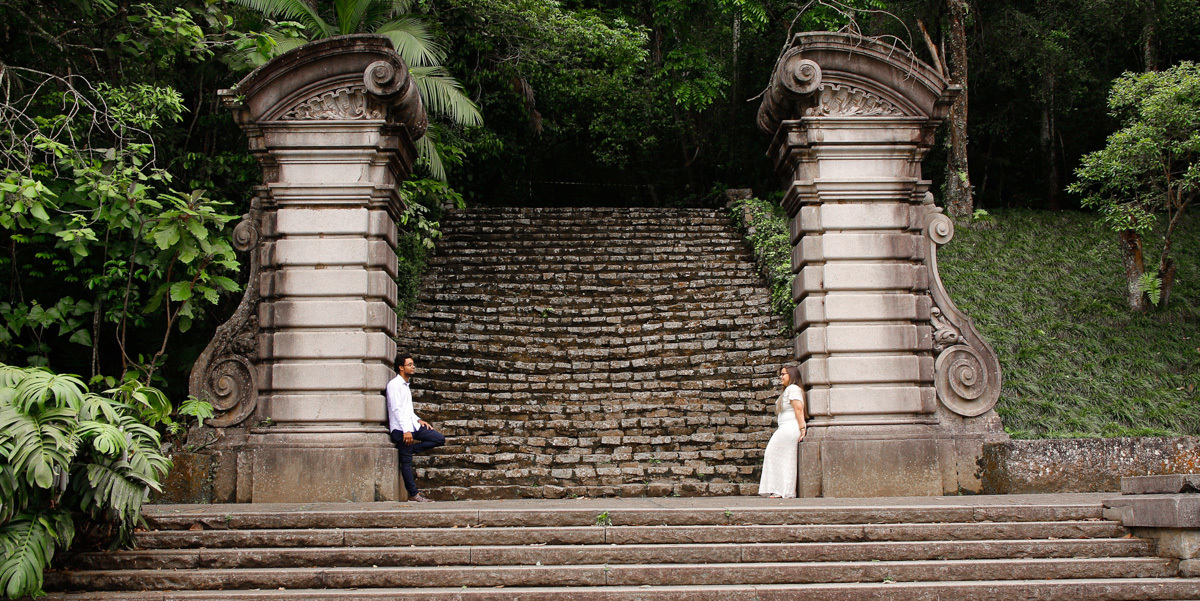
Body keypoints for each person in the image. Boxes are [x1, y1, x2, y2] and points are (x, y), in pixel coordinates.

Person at [386, 352, 445, 502]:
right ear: (401, 367)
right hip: (401, 430)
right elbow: (396, 409)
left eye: (413, 364)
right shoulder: (394, 385)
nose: (413, 367)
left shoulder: (405, 385)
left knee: (438, 438)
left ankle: (410, 449)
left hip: (411, 425)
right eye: (409, 365)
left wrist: (418, 420)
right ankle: (414, 494)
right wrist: (406, 430)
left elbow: (408, 410)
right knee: (406, 463)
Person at [759, 364, 807, 498]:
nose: (781, 377)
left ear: (791, 376)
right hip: (785, 428)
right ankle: (780, 490)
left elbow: (799, 409)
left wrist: (802, 428)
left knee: (778, 455)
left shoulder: (793, 389)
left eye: (783, 374)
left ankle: (783, 491)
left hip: (790, 428)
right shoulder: (789, 390)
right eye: (780, 374)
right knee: (780, 457)